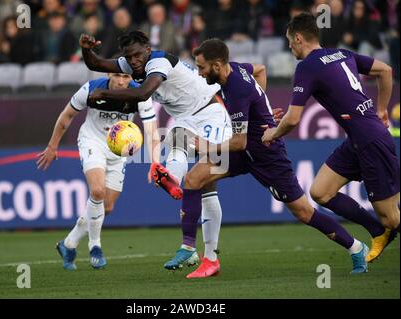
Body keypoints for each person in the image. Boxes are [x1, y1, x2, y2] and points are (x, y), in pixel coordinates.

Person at [181, 38, 371, 278]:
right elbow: (260, 69)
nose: (199, 73)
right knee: (194, 178)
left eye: (201, 67)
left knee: (303, 212)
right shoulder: (236, 68)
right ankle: (198, 254)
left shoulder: (237, 88)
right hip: (243, 151)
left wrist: (207, 146)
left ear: (217, 65)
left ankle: (357, 247)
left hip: (266, 154)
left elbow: (239, 141)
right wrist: (263, 110)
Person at [78, 30, 233, 270]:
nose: (134, 61)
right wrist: (86, 49)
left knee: (205, 184)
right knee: (178, 148)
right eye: (129, 57)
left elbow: (143, 93)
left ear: (148, 50)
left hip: (210, 112)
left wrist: (105, 92)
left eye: (138, 55)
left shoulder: (159, 61)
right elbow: (96, 63)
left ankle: (206, 254)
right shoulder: (131, 63)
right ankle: (172, 181)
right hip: (185, 119)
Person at [262, 13, 399, 264]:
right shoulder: (342, 54)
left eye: (290, 41)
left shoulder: (307, 67)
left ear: (299, 38)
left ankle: (385, 229)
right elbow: (385, 70)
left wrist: (272, 132)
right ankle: (379, 233)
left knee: (391, 218)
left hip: (371, 141)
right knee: (320, 192)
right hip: (359, 139)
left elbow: (293, 119)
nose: (290, 47)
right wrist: (381, 110)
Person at [37, 71, 160, 270]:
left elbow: (152, 130)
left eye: (126, 77)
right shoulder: (92, 89)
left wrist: (155, 162)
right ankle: (95, 246)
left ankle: (68, 244)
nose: (121, 81)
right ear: (110, 73)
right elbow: (67, 115)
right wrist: (52, 146)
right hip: (92, 141)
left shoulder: (140, 94)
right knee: (97, 191)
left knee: (107, 207)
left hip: (119, 150)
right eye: (118, 75)